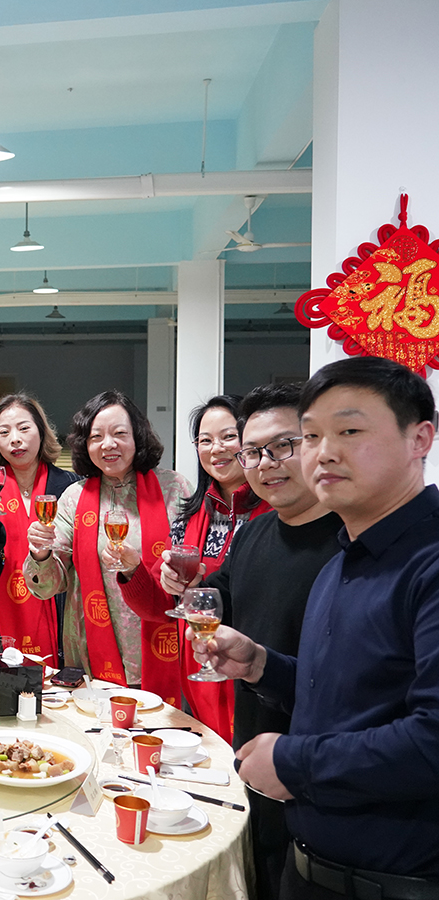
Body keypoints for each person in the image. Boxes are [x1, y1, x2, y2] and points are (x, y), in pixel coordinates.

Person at [196, 357, 439, 895]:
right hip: (310, 869)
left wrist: (293, 761)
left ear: (420, 438)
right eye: (311, 436)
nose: (324, 452)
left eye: (349, 431)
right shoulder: (344, 559)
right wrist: (262, 665)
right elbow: (341, 699)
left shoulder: (428, 562)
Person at [118, 395, 271, 740]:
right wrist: (133, 571)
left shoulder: (275, 514)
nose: (216, 448)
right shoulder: (189, 517)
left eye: (229, 436)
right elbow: (160, 608)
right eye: (205, 440)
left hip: (256, 671)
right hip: (200, 672)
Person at [24, 390, 190, 702]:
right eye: (96, 436)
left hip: (160, 645)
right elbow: (48, 586)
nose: (108, 444)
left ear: (138, 437)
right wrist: (41, 552)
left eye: (119, 434)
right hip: (90, 653)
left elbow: (190, 561)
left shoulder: (173, 488)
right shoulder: (74, 498)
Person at [0, 392, 78, 661]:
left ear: (41, 432)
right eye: (4, 432)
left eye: (24, 428)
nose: (15, 439)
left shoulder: (71, 488)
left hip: (60, 621)